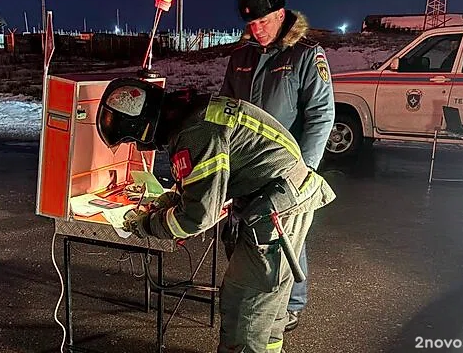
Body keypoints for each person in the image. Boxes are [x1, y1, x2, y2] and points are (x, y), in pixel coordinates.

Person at [95, 77, 336, 353]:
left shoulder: (195, 131)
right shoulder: (194, 113)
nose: (138, 147)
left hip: (275, 208)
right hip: (283, 195)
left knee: (245, 305)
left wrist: (148, 224)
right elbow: (211, 179)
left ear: (146, 128)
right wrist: (174, 197)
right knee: (269, 306)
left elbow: (196, 218)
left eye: (134, 140)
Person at [219, 0, 336, 332]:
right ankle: (252, 290)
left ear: (281, 15)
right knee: (245, 230)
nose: (257, 30)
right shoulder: (241, 56)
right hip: (245, 164)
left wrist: (305, 171)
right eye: (251, 24)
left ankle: (292, 304)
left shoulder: (304, 54)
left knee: (285, 235)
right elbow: (225, 107)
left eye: (264, 22)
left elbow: (321, 114)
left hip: (288, 167)